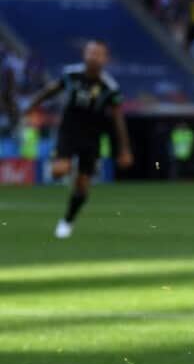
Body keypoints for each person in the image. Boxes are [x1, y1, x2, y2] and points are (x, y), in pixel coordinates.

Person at [21, 39, 132, 238]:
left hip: (92, 137)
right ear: (85, 55)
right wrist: (31, 106)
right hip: (69, 131)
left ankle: (67, 221)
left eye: (97, 53)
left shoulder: (109, 87)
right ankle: (67, 166)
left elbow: (118, 119)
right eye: (90, 52)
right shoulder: (71, 74)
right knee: (58, 170)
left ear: (105, 58)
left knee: (82, 186)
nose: (93, 57)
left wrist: (124, 149)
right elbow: (49, 91)